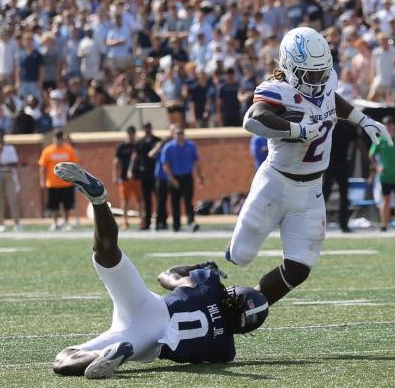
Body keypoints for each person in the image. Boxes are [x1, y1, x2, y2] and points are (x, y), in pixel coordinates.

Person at [50, 162, 268, 379]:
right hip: (148, 342)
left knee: (107, 254)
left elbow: (166, 276)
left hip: (150, 306)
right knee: (65, 364)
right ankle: (104, 355)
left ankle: (99, 202)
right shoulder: (223, 351)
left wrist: (198, 267)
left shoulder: (210, 286)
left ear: (233, 295)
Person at [227, 27, 391, 306]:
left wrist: (363, 120)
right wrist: (296, 130)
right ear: (289, 67)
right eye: (309, 74)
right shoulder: (277, 90)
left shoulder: (326, 82)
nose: (317, 80)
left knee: (300, 266)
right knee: (240, 256)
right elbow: (253, 118)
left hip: (312, 189)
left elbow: (330, 100)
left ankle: (248, 305)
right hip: (276, 184)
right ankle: (196, 278)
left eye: (320, 72)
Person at [161, 128, 203, 232]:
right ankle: (176, 224)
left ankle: (191, 222)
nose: (180, 136)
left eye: (181, 134)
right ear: (174, 135)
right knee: (175, 202)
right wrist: (172, 179)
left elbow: (196, 162)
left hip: (187, 177)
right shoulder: (169, 147)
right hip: (175, 177)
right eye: (178, 134)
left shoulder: (191, 146)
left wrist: (199, 176)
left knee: (188, 201)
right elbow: (165, 165)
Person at [322, 121, 362, 233]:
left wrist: (368, 160)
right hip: (328, 163)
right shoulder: (329, 123)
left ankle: (344, 224)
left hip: (343, 163)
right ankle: (315, 222)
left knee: (344, 194)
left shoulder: (350, 126)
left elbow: (359, 143)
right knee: (325, 192)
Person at [38, 129, 79, 231]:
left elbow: (74, 165)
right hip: (52, 183)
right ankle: (55, 223)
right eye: (57, 138)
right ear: (53, 139)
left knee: (67, 205)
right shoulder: (47, 151)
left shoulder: (68, 149)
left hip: (67, 183)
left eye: (61, 138)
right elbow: (42, 167)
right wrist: (42, 181)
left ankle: (66, 222)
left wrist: (75, 179)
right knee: (53, 205)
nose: (59, 141)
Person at [0, 132, 21, 232]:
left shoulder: (10, 149)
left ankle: (17, 223)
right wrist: (0, 153)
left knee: (12, 199)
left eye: (0, 141)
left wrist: (3, 163)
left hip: (8, 173)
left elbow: (14, 162)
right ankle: (1, 223)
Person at [132, 122, 160, 230]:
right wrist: (132, 170)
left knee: (159, 197)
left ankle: (160, 220)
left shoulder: (157, 140)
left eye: (148, 127)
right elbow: (136, 156)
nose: (147, 129)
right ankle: (147, 222)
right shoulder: (140, 142)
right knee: (146, 199)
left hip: (155, 173)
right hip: (144, 173)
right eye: (145, 128)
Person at [113, 126, 142, 230]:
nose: (130, 136)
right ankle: (125, 222)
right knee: (125, 200)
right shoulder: (122, 146)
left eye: (132, 134)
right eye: (129, 134)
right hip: (124, 177)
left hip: (137, 176)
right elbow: (116, 161)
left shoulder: (138, 145)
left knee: (140, 199)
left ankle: (141, 221)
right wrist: (115, 175)